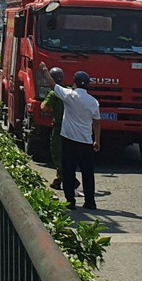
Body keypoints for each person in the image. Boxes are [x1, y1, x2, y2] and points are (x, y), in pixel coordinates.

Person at [37, 63, 101, 210]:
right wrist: (97, 140)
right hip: (86, 141)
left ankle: (70, 202)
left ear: (74, 83)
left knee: (68, 170)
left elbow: (53, 85)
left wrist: (45, 70)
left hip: (69, 140)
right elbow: (97, 122)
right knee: (87, 173)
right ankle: (90, 202)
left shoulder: (69, 95)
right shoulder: (93, 102)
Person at [43, 68, 67, 190]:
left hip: (58, 128)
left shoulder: (54, 93)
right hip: (69, 129)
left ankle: (69, 179)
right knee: (66, 153)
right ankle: (58, 180)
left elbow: (44, 107)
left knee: (57, 154)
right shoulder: (68, 90)